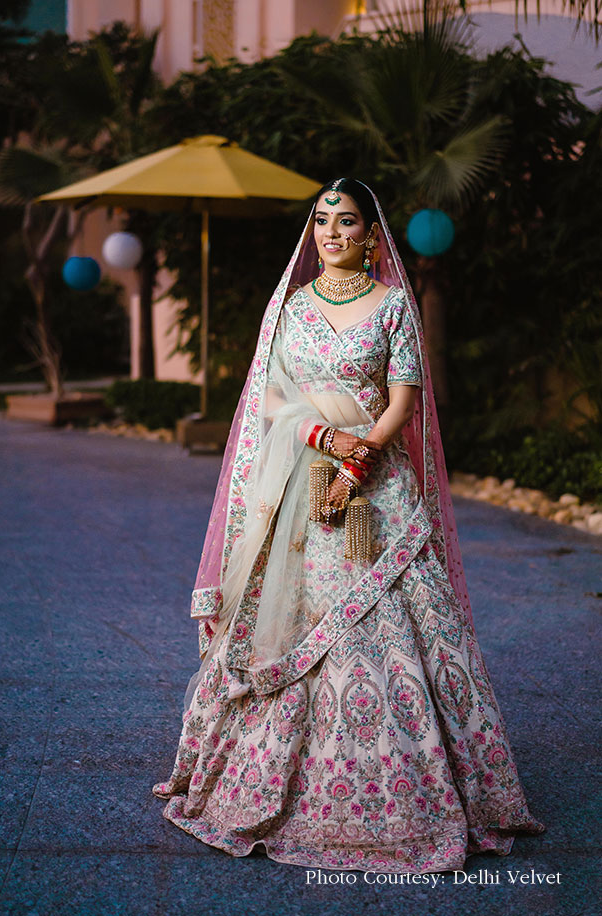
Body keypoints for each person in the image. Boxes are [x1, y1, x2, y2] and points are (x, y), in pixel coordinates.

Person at [152, 178, 544, 872]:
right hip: (297, 483)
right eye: (320, 221)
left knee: (396, 622)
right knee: (287, 619)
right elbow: (269, 400)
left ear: (370, 235)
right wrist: (322, 440)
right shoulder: (290, 308)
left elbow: (403, 404)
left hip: (377, 487)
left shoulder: (393, 304)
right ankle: (270, 778)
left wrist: (356, 464)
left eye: (346, 221)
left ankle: (412, 795)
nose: (331, 233)